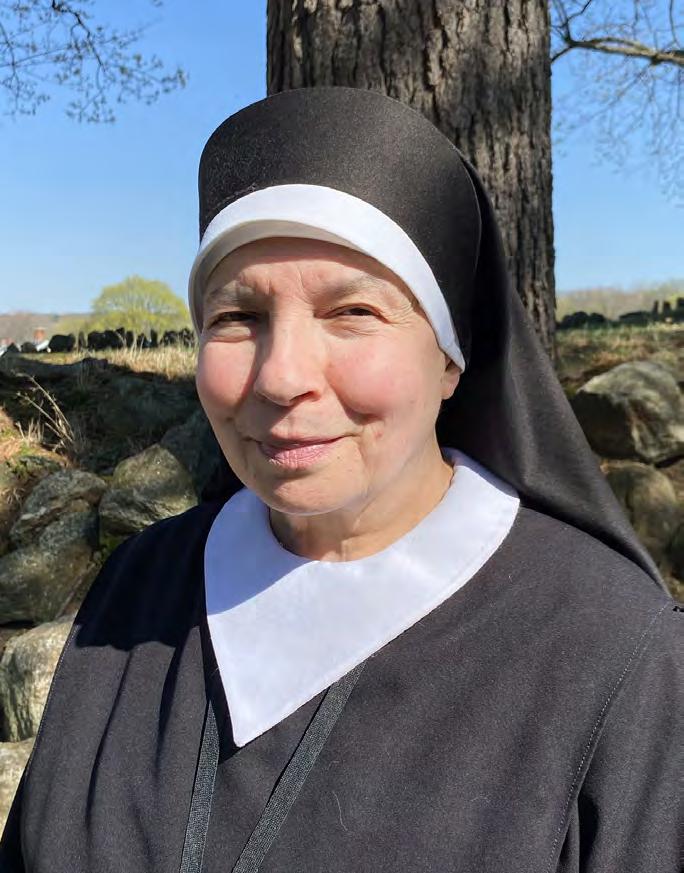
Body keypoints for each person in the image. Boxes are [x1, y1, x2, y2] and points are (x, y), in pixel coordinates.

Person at [0, 87, 681, 873]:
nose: (282, 376)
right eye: (237, 317)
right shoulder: (136, 588)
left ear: (451, 357)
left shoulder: (616, 654)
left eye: (352, 311)